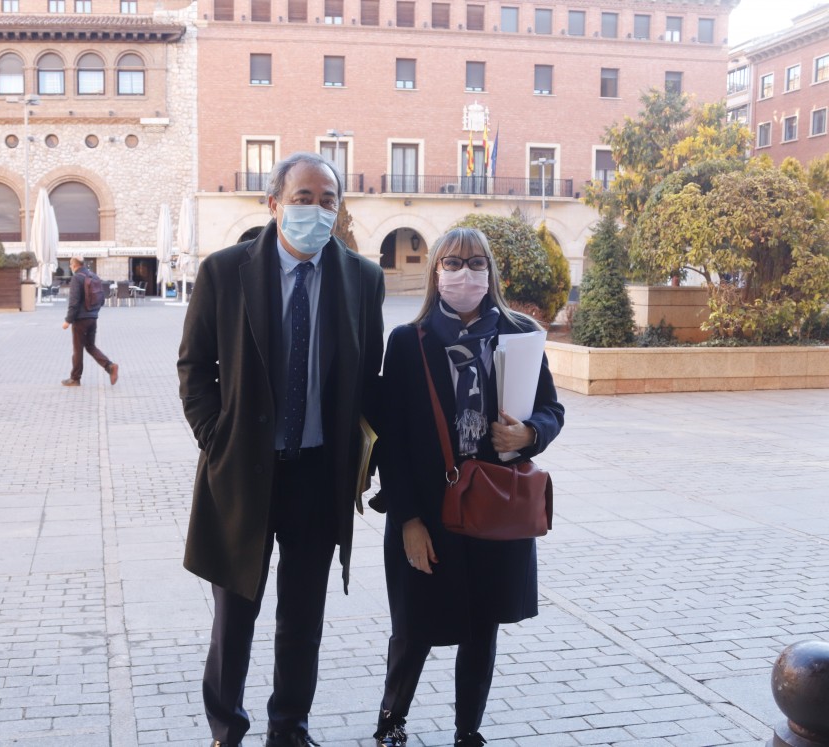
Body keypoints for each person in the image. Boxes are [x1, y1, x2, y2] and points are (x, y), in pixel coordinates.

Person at [177, 152, 385, 746]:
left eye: (328, 201)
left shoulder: (362, 280)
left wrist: (364, 461)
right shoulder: (224, 272)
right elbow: (195, 369)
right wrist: (217, 441)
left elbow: (368, 379)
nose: (315, 211)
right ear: (273, 204)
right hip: (244, 471)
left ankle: (289, 726)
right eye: (303, 198)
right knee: (234, 612)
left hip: (319, 475)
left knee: (302, 617)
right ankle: (226, 725)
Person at [372, 228, 565, 747]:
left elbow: (551, 409)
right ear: (437, 271)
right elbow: (394, 439)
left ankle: (467, 731)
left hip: (494, 508)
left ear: (491, 272)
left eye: (476, 263)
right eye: (453, 262)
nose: (465, 272)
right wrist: (408, 520)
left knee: (482, 628)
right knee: (414, 627)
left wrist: (530, 433)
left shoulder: (521, 333)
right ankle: (391, 722)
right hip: (428, 511)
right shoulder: (409, 342)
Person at [62, 256, 118, 387]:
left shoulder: (77, 277)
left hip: (80, 319)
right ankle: (110, 367)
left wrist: (68, 320)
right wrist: (93, 312)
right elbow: (102, 299)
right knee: (90, 346)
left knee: (78, 349)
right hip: (93, 317)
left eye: (70, 265)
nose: (70, 267)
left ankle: (75, 378)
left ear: (73, 265)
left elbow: (74, 302)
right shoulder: (93, 276)